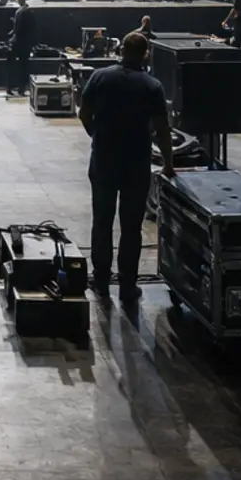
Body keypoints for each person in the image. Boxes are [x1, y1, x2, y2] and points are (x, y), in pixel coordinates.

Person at [78, 31, 176, 303]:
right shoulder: (152, 86)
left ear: (121, 50)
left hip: (103, 160)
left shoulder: (100, 77)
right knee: (131, 226)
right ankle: (128, 285)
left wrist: (96, 137)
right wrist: (168, 163)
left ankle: (100, 280)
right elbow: (162, 130)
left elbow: (84, 113)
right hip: (135, 163)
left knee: (102, 222)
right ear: (146, 54)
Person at [7, 0, 38, 97]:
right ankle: (22, 89)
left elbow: (18, 28)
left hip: (18, 43)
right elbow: (33, 26)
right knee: (24, 66)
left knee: (11, 64)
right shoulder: (29, 11)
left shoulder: (20, 12)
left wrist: (13, 35)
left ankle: (9, 87)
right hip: (26, 43)